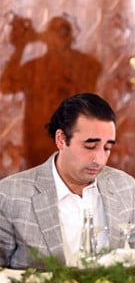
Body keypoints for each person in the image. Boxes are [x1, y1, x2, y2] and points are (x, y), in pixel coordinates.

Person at [0, 93, 135, 269]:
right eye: (90, 146)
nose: (99, 159)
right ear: (61, 139)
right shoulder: (11, 194)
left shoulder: (124, 187)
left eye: (107, 148)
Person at [0, 15, 102, 168]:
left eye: (63, 33)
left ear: (70, 38)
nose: (58, 39)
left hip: (74, 142)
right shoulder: (34, 67)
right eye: (55, 33)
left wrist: (38, 38)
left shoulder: (85, 65)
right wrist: (21, 46)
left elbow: (95, 69)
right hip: (39, 143)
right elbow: (6, 86)